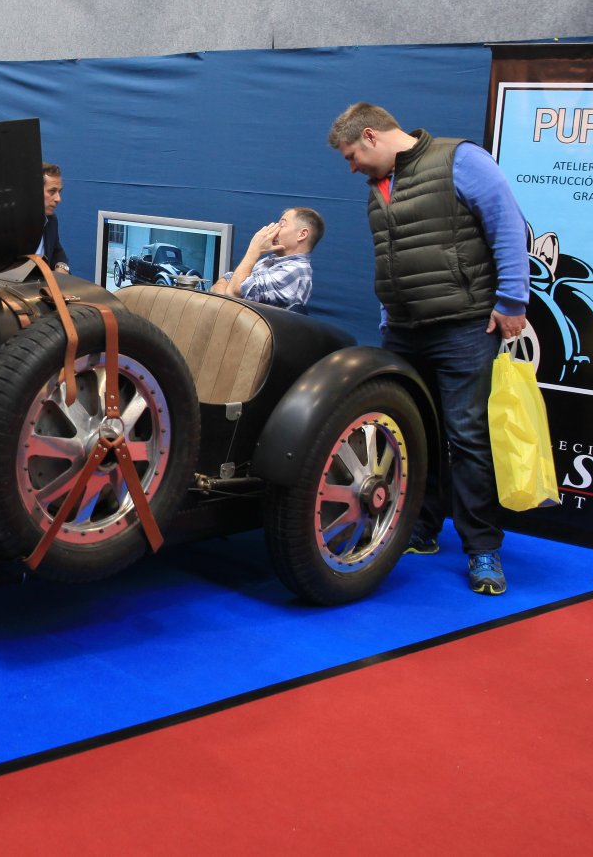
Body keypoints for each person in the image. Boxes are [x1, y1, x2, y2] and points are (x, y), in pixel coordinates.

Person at [328, 102, 529, 595]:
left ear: (371, 136)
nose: (351, 167)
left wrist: (511, 301)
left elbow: (507, 224)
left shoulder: (460, 159)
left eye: (352, 156)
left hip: (464, 329)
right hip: (403, 330)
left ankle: (482, 549)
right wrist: (387, 319)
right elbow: (391, 259)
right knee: (416, 435)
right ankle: (421, 528)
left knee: (467, 438)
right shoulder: (377, 187)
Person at [212, 206, 323, 312]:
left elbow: (234, 290)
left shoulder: (296, 271)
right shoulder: (270, 261)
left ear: (302, 234)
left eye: (282, 225)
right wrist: (223, 299)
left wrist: (253, 250)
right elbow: (225, 280)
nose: (274, 230)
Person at [38, 163, 71, 273]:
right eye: (52, 191)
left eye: (59, 192)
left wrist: (62, 267)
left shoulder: (51, 220)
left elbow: (57, 252)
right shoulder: (11, 225)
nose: (58, 199)